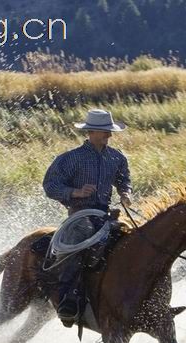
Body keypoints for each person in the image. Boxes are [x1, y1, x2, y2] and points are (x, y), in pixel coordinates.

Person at [42, 109, 132, 325]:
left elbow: (124, 179)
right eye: (104, 132)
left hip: (105, 215)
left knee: (132, 241)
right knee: (78, 248)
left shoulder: (116, 157)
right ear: (90, 132)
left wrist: (125, 192)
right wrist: (75, 192)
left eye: (109, 132)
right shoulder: (70, 159)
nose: (108, 136)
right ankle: (67, 299)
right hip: (79, 214)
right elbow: (50, 186)